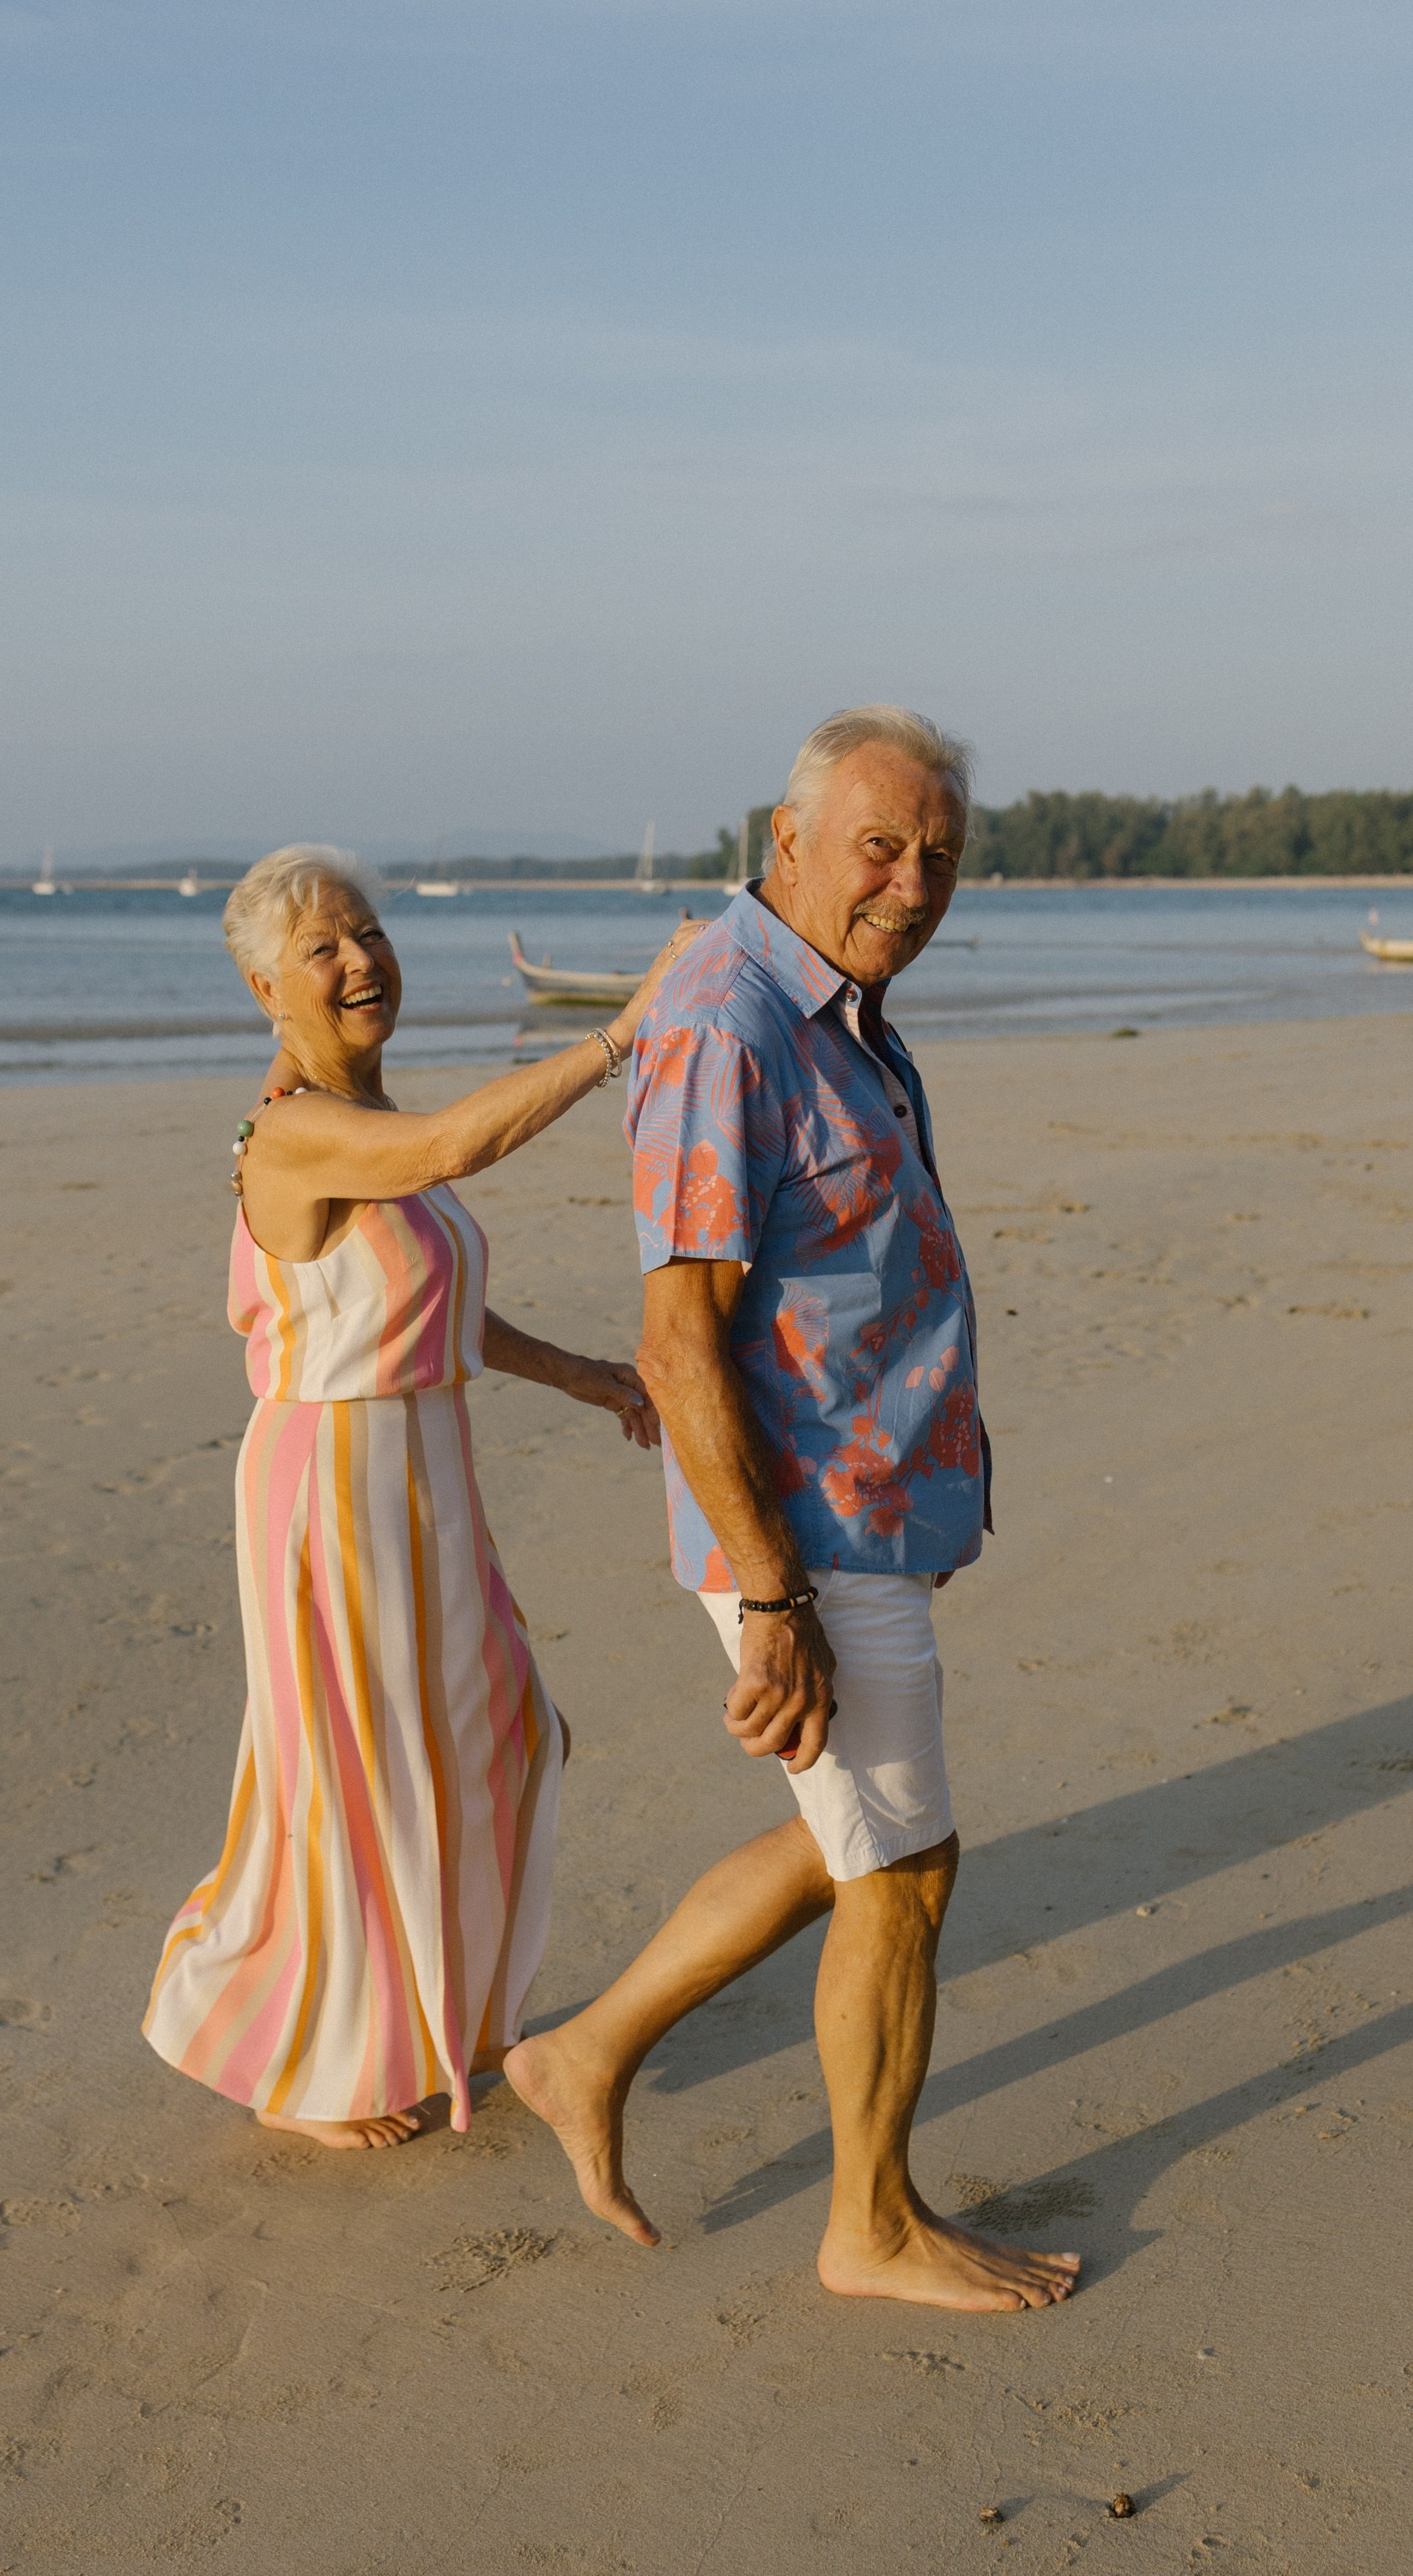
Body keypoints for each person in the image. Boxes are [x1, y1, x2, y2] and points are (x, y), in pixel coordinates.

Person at [506, 708, 1083, 2311]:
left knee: (852, 1843)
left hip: (862, 1505)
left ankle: (588, 2050)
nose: (912, 885)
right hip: (805, 1532)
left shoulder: (835, 1004)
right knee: (904, 1869)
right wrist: (773, 1596)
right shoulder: (728, 1021)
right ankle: (870, 2226)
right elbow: (676, 1332)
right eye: (881, 847)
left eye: (940, 857)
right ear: (790, 835)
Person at [143, 847, 696, 2148]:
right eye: (324, 948)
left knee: (508, 1735)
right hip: (330, 1478)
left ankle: (445, 2016)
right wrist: (626, 1031)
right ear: (264, 985)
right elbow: (463, 1142)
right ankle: (291, 2064)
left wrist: (586, 1376)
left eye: (370, 932)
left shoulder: (365, 1119)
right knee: (347, 1774)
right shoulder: (295, 1133)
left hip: (424, 1471)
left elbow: (428, 1298)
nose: (360, 960)